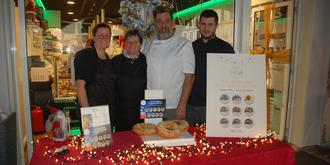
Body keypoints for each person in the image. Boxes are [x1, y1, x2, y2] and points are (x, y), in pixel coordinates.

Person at [143, 6, 195, 120]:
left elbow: (189, 77)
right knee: (151, 136)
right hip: (151, 102)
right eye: (159, 21)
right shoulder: (148, 44)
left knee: (173, 136)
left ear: (172, 23)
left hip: (174, 104)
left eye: (167, 20)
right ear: (155, 23)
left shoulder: (184, 44)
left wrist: (182, 105)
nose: (163, 25)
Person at [187, 9, 235, 125]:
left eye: (210, 24)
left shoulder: (226, 49)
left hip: (215, 106)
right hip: (191, 105)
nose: (206, 28)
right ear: (198, 25)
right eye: (203, 24)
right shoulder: (191, 47)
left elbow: (232, 78)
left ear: (216, 26)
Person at [74, 23, 115, 125]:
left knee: (105, 141)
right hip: (91, 111)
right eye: (100, 35)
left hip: (105, 112)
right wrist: (88, 115)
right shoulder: (85, 55)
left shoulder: (107, 57)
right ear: (94, 37)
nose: (104, 38)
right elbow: (79, 85)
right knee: (92, 141)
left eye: (107, 35)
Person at [111, 30, 147, 131]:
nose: (132, 45)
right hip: (121, 111)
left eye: (135, 42)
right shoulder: (115, 61)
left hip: (142, 111)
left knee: (141, 141)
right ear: (124, 44)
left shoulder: (146, 60)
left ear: (140, 45)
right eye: (129, 42)